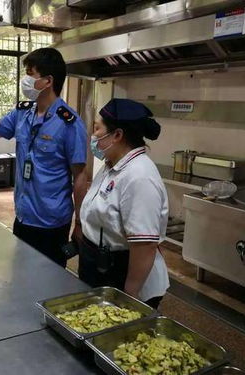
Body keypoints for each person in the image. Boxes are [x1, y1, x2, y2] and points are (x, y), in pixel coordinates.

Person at [0, 48, 88, 268]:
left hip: (51, 222)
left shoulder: (69, 123)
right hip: (23, 216)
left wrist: (79, 223)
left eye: (30, 73)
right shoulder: (22, 113)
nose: (25, 79)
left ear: (47, 81)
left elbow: (80, 177)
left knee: (48, 284)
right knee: (21, 278)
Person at [79, 98, 169, 308]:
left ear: (117, 135)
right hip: (101, 266)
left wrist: (130, 295)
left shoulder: (139, 176)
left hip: (123, 274)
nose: (93, 136)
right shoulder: (113, 165)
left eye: (97, 129)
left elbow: (145, 245)